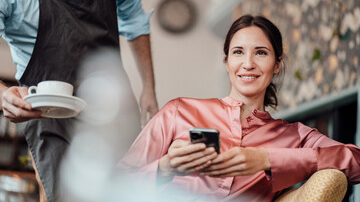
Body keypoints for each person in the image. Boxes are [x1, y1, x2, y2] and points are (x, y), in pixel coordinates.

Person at [118, 15, 360, 201]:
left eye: (261, 53)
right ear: (227, 62)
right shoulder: (179, 111)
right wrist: (165, 167)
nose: (248, 64)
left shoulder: (294, 135)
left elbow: (356, 161)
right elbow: (117, 182)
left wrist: (267, 159)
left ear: (277, 65)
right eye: (238, 52)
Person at [0, 0, 158, 201]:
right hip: (49, 117)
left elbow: (134, 18)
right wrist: (2, 93)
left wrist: (148, 88)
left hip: (112, 115)